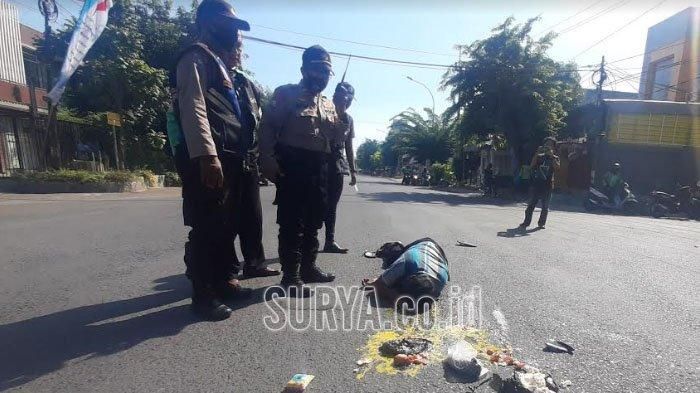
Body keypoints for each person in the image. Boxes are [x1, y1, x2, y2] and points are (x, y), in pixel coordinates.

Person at [173, 0, 256, 320]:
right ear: (209, 24)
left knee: (226, 224)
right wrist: (207, 155)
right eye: (229, 27)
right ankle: (203, 294)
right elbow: (193, 108)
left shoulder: (218, 64)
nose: (235, 35)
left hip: (230, 158)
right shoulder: (194, 57)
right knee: (207, 226)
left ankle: (223, 282)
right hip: (209, 158)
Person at [259, 45, 341, 297]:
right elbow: (267, 128)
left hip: (320, 166)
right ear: (304, 69)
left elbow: (333, 137)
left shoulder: (328, 104)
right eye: (316, 70)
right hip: (293, 164)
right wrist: (267, 159)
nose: (321, 76)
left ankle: (308, 268)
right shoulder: (286, 94)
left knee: (314, 220)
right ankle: (291, 276)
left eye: (326, 72)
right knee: (292, 221)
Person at [222, 44, 280, 279]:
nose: (236, 51)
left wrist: (265, 156)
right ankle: (226, 272)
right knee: (226, 219)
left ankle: (254, 263)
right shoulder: (208, 74)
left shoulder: (244, 83)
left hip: (248, 159)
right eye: (232, 46)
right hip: (223, 157)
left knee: (252, 217)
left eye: (239, 47)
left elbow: (260, 121)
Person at [322, 82, 357, 253]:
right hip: (318, 163)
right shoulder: (323, 109)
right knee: (315, 204)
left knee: (331, 206)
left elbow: (348, 146)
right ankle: (306, 243)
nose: (342, 98)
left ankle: (330, 241)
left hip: (337, 166)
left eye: (347, 97)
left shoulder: (348, 119)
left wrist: (353, 171)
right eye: (338, 93)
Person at [362, 238, 449, 306]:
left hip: (439, 254)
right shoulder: (406, 262)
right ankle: (394, 247)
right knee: (391, 259)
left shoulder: (439, 283)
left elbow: (425, 301)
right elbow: (378, 285)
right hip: (423, 244)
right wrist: (378, 285)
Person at [519, 137, 560, 230]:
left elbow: (557, 168)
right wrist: (537, 153)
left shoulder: (555, 158)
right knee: (531, 205)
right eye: (546, 144)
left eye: (550, 144)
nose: (548, 146)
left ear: (554, 147)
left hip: (548, 185)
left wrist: (552, 156)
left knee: (545, 207)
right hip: (536, 183)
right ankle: (526, 222)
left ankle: (541, 223)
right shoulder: (539, 156)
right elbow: (532, 165)